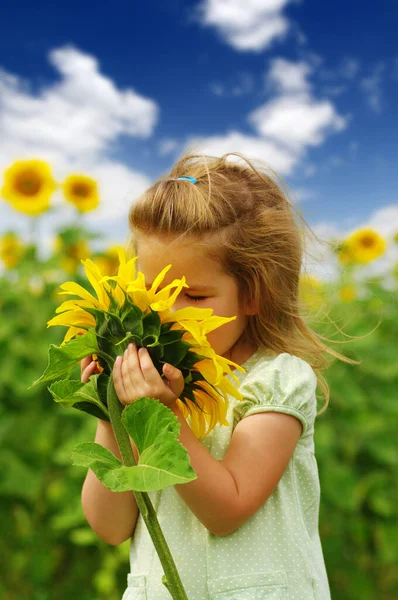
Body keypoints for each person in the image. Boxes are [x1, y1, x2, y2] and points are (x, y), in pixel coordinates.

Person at [81, 152, 355, 600]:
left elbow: (227, 508)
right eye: (153, 292)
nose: (168, 313)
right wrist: (110, 411)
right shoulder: (157, 385)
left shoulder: (276, 380)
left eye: (193, 294)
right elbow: (110, 526)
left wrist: (162, 414)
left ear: (254, 293)